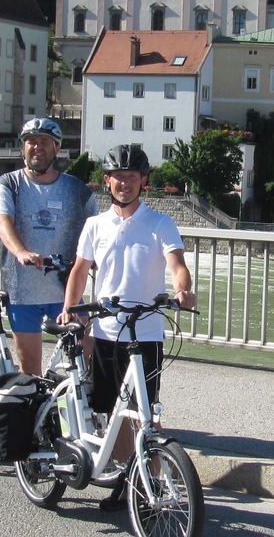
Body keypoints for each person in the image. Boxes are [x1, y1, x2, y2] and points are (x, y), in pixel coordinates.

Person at [58, 143, 195, 510]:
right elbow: (79, 270)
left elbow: (176, 263)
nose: (124, 183)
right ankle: (128, 475)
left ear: (143, 182)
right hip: (104, 332)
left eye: (131, 177)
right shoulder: (95, 225)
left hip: (146, 333)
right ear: (107, 181)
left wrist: (183, 290)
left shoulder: (160, 224)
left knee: (145, 413)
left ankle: (149, 480)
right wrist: (70, 309)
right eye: (118, 177)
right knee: (110, 411)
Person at [0, 117, 96, 374]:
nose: (37, 147)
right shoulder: (8, 184)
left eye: (45, 142)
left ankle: (80, 412)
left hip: (65, 290)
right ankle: (34, 411)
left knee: (86, 358)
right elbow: (2, 221)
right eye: (31, 142)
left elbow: (98, 233)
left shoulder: (77, 190)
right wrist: (20, 251)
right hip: (22, 292)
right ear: (23, 148)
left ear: (57, 148)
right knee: (30, 370)